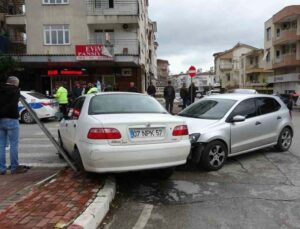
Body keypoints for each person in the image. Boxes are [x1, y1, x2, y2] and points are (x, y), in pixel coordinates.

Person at [0, 76, 28, 174]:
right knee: (13, 144)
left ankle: (1, 168)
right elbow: (14, 103)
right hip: (11, 118)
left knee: (1, 144)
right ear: (15, 83)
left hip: (1, 119)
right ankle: (14, 167)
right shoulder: (15, 90)